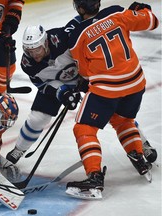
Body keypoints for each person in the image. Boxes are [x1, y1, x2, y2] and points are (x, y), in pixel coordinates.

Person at [5, 24, 157, 167]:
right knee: (38, 117)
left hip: (86, 78)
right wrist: (61, 91)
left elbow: (83, 37)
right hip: (56, 83)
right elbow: (42, 85)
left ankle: (142, 143)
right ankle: (19, 148)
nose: (34, 55)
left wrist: (86, 77)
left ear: (45, 43)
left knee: (116, 114)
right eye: (29, 51)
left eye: (37, 50)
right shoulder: (28, 63)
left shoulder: (62, 38)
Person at [65, 0, 159, 199]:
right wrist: (142, 9)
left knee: (83, 129)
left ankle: (94, 178)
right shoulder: (117, 13)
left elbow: (84, 71)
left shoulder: (77, 34)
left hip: (107, 89)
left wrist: (85, 81)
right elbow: (152, 21)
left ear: (79, 8)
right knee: (123, 121)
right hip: (135, 83)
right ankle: (139, 156)